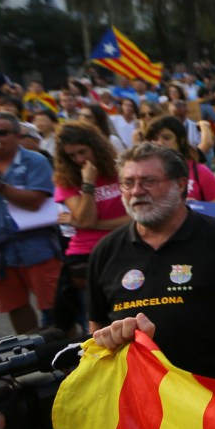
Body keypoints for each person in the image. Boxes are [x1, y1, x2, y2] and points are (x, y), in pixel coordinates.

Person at [87, 143, 215, 383]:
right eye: (128, 183)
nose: (136, 191)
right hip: (139, 390)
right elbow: (97, 322)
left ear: (181, 184)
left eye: (148, 181)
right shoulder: (105, 251)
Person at [0, 112, 62, 334]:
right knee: (15, 306)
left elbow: (36, 202)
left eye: (0, 133)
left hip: (36, 244)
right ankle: (33, 353)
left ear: (18, 136)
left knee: (54, 305)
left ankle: (69, 361)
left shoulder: (35, 160)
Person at [51, 121, 128, 332]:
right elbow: (86, 219)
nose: (78, 159)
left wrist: (93, 224)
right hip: (85, 255)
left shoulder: (119, 169)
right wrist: (88, 183)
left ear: (95, 146)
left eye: (82, 152)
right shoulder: (67, 180)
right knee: (94, 320)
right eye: (72, 156)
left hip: (124, 246)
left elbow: (134, 218)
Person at [144, 116, 215, 203]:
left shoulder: (200, 171)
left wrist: (194, 208)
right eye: (154, 139)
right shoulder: (141, 174)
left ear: (180, 141)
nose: (159, 143)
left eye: (167, 138)